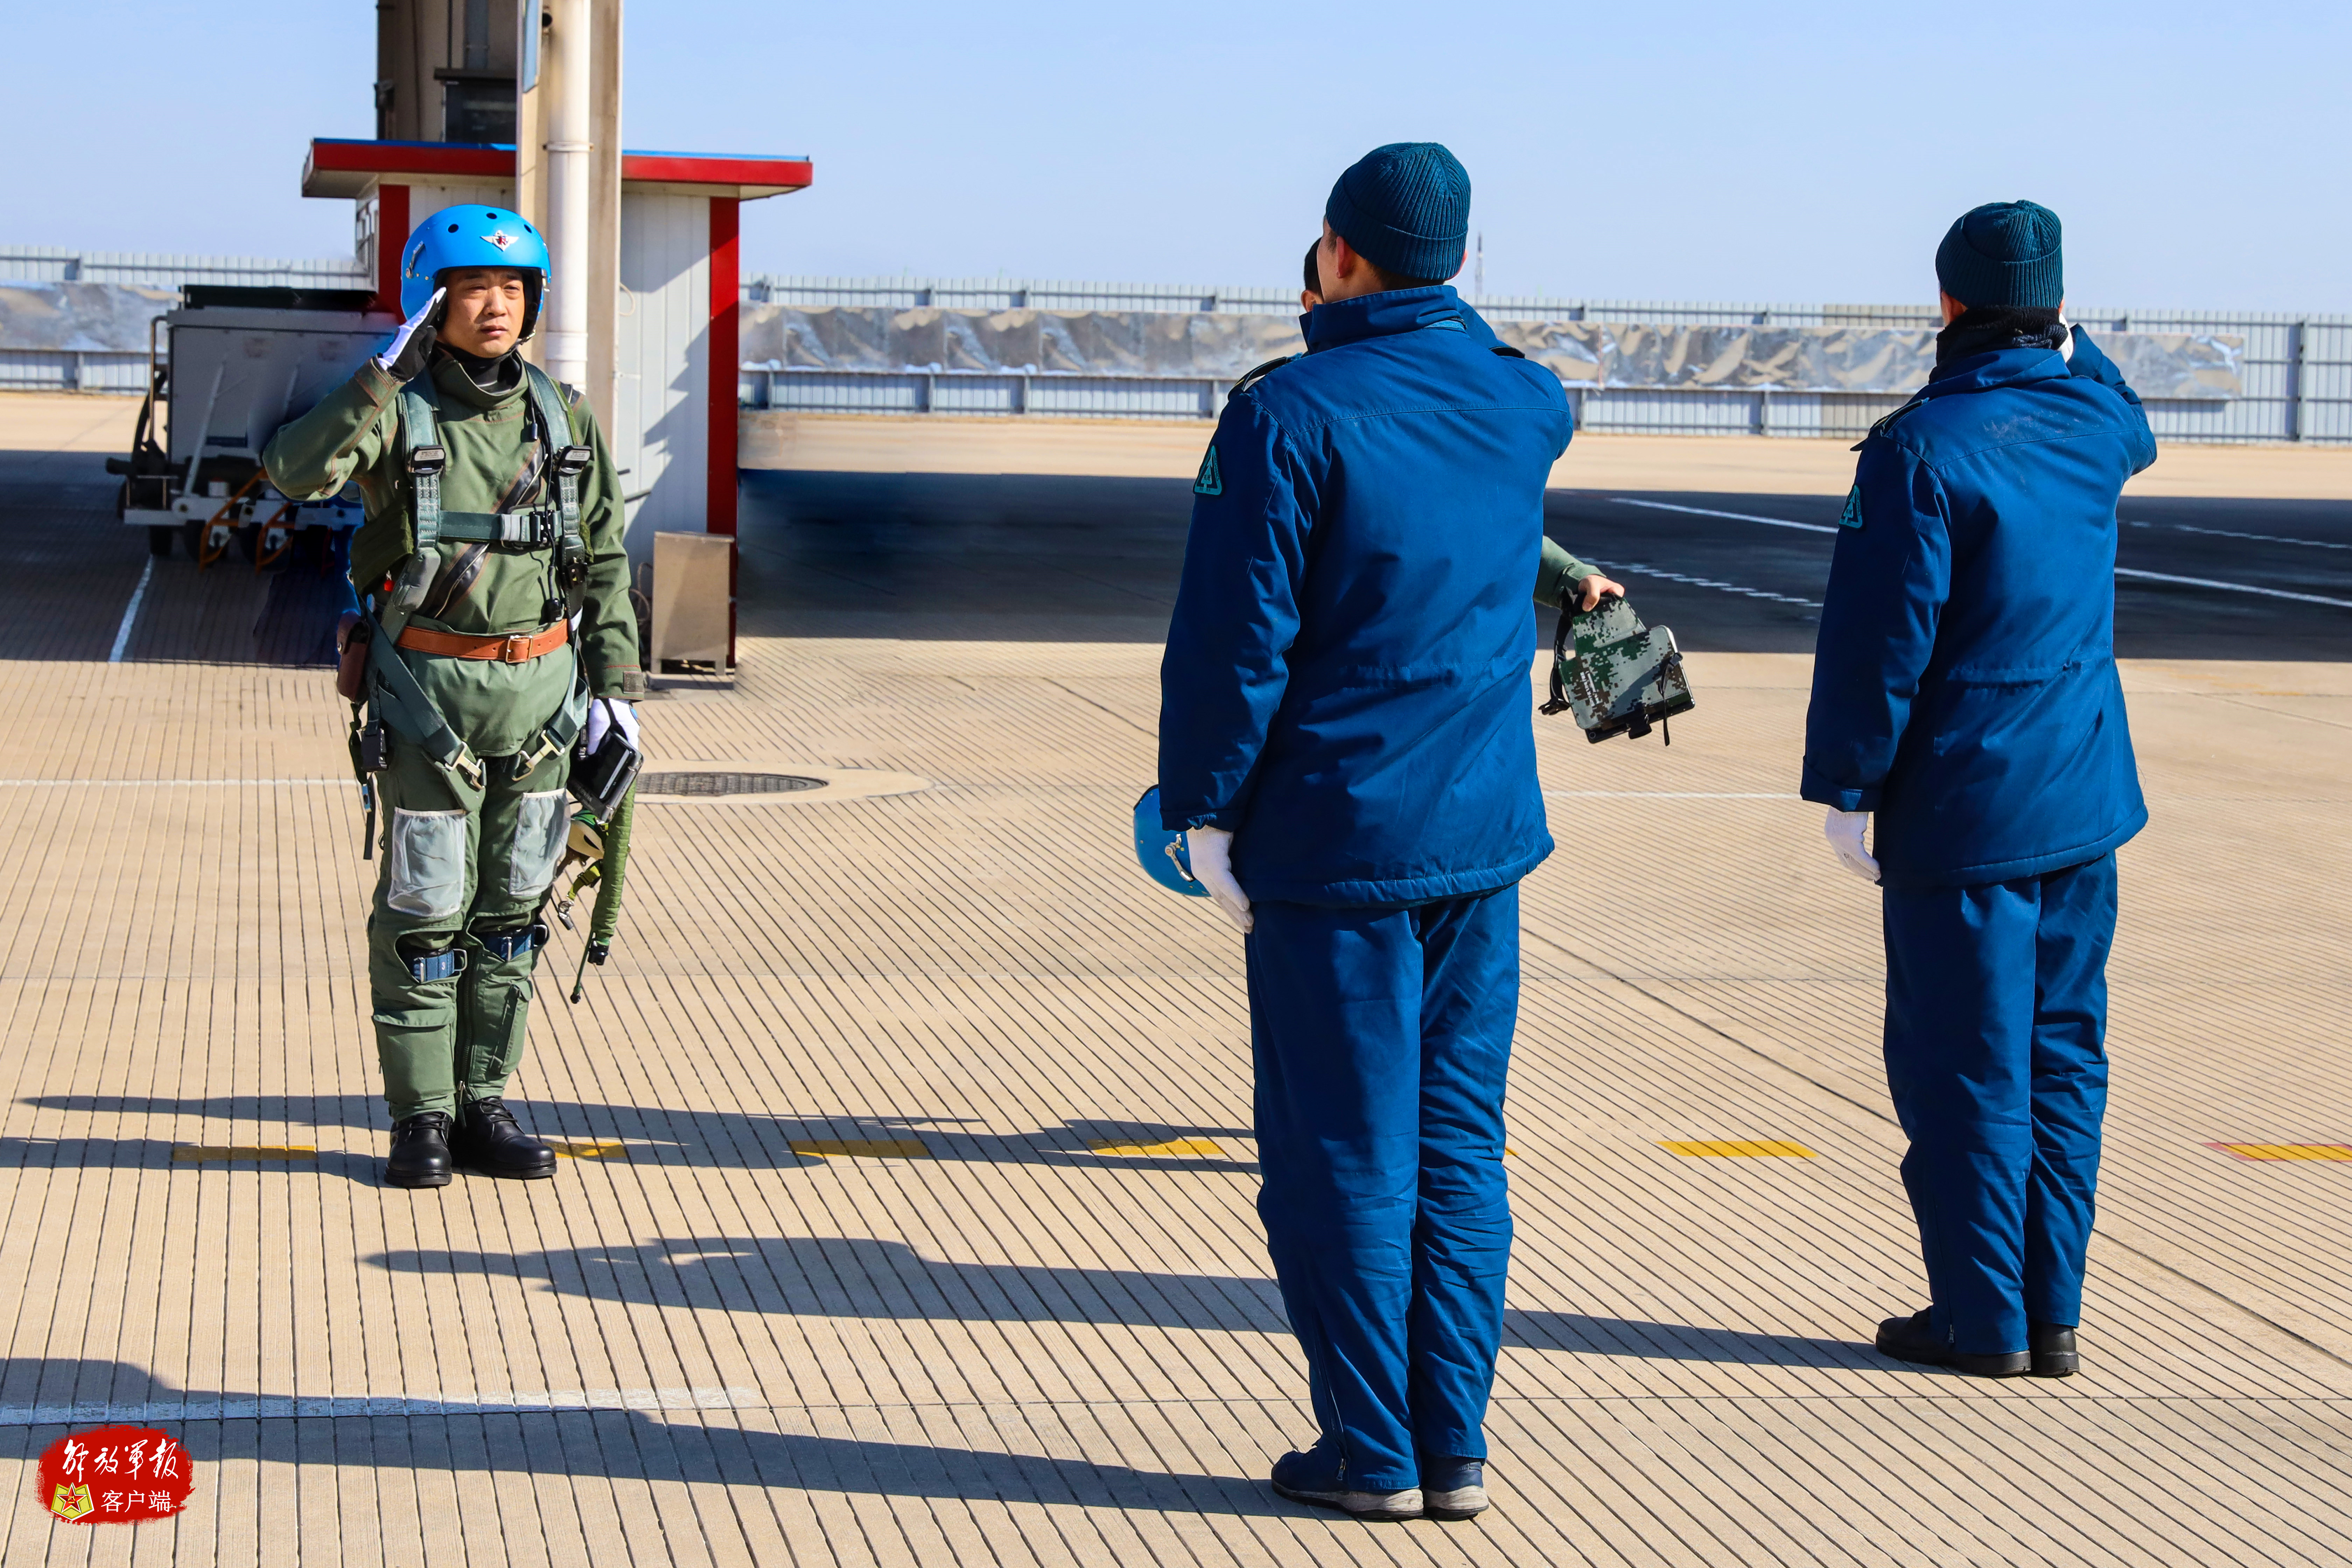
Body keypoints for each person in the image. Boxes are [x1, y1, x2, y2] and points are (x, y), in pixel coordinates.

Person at [1159, 142, 1574, 1524]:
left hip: (1336, 847)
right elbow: (1509, 386)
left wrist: (1207, 808)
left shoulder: (1288, 416)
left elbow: (1237, 644)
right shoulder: (1524, 402)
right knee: (1460, 1145)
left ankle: (1371, 1445)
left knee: (1342, 1147)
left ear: (1338, 253)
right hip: (1482, 841)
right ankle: (1453, 1440)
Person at [1800, 200, 2155, 1378]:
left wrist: (1850, 786)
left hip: (1965, 812)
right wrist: (2063, 332)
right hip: (2082, 798)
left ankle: (1981, 1320)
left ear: (1947, 302)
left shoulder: (1921, 449)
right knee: (2064, 1056)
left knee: (1966, 1069)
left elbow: (1878, 645)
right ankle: (2052, 1311)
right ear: (2054, 307)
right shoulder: (2097, 421)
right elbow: (2117, 396)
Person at [265, 205, 644, 1190]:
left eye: (514, 289)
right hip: (431, 698)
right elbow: (295, 474)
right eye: (473, 287)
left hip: (543, 703)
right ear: (433, 302)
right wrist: (380, 376)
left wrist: (619, 689)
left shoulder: (564, 419)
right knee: (426, 910)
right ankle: (420, 1119)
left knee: (514, 910)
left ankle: (484, 1103)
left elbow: (602, 558)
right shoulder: (396, 411)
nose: (496, 307)